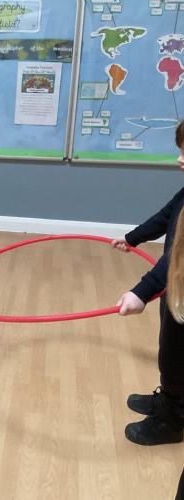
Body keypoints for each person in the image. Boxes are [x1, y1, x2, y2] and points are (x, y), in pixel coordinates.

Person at [112, 120, 184, 445]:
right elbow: (167, 215)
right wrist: (134, 237)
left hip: (180, 289)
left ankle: (172, 421)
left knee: (175, 358)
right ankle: (169, 400)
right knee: (169, 350)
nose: (179, 159)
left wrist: (141, 292)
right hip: (175, 288)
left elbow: (176, 258)